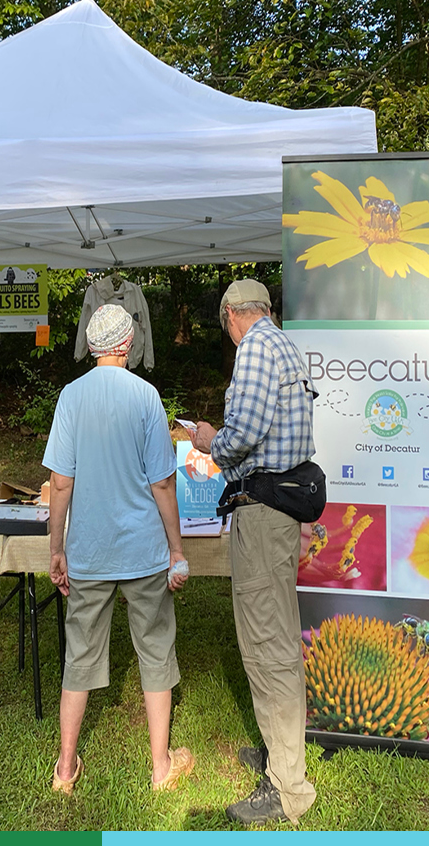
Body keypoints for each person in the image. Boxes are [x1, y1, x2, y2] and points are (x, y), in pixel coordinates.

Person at [42, 303, 193, 795]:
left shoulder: (70, 396)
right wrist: (176, 549)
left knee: (79, 654)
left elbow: (60, 483)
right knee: (155, 649)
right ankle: (160, 766)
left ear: (91, 345)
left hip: (87, 549)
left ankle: (65, 768)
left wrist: (56, 549)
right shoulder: (146, 397)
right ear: (127, 345)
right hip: (143, 549)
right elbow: (163, 484)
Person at [188, 279, 319, 824]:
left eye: (226, 325)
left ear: (233, 315)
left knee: (267, 644)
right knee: (278, 633)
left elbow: (242, 435)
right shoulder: (285, 343)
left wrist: (206, 440)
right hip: (278, 511)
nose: (230, 333)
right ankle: (278, 752)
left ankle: (287, 786)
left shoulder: (257, 348)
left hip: (263, 513)